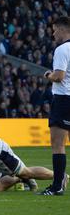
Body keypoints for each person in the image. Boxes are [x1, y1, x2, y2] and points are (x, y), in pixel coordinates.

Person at [39, 16, 70, 195]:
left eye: (54, 29)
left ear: (63, 29)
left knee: (58, 144)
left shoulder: (62, 49)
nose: (53, 33)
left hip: (64, 99)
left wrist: (48, 75)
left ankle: (57, 185)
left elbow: (59, 76)